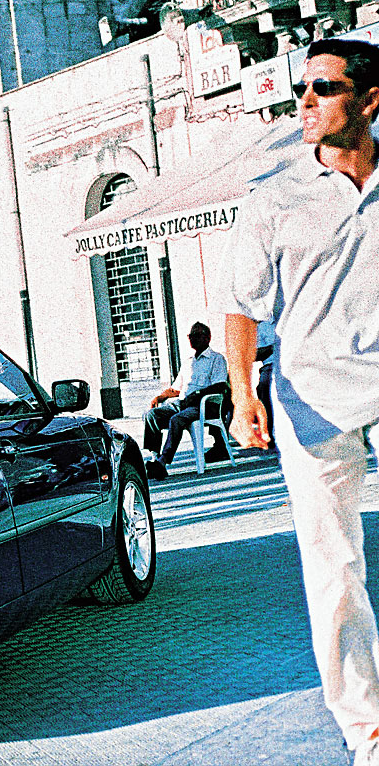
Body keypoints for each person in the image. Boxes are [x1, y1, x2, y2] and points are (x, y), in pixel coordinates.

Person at [219, 38, 379, 766]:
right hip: (311, 398)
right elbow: (242, 307)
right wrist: (241, 395)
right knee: (335, 570)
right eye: (300, 90)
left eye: (324, 88)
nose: (306, 102)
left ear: (370, 100)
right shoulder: (274, 198)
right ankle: (367, 733)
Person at [143, 321, 229, 480]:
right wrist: (160, 397)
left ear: (207, 338)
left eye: (197, 335)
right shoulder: (189, 361)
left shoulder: (216, 359)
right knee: (151, 415)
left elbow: (220, 385)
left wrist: (197, 394)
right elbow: (176, 389)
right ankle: (155, 458)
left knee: (176, 420)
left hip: (203, 405)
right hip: (182, 403)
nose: (193, 339)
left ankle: (163, 461)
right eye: (191, 336)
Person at [255, 319, 276, 451]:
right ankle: (268, 434)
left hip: (293, 364)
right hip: (271, 365)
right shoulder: (262, 326)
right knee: (264, 386)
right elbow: (255, 354)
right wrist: (273, 347)